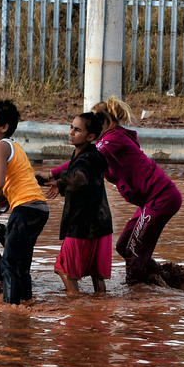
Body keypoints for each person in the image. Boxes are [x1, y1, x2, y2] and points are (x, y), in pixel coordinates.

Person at [91, 96, 182, 285]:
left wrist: (53, 175)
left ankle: (135, 296)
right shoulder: (108, 140)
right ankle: (165, 279)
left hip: (160, 198)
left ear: (105, 122)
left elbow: (86, 161)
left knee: (134, 251)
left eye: (93, 122)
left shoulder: (112, 139)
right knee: (124, 246)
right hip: (149, 202)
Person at [0, 100, 50, 305]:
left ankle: (10, 308)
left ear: (3, 127)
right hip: (38, 208)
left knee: (9, 263)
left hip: (25, 208)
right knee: (21, 262)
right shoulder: (13, 146)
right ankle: (25, 302)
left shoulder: (0, 147)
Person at [40, 112, 113, 294]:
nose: (71, 132)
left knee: (64, 270)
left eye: (77, 130)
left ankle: (77, 311)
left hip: (81, 226)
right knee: (97, 276)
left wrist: (60, 183)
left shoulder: (84, 160)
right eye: (71, 127)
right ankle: (99, 314)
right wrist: (57, 178)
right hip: (102, 225)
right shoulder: (93, 155)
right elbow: (78, 174)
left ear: (91, 137)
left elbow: (79, 178)